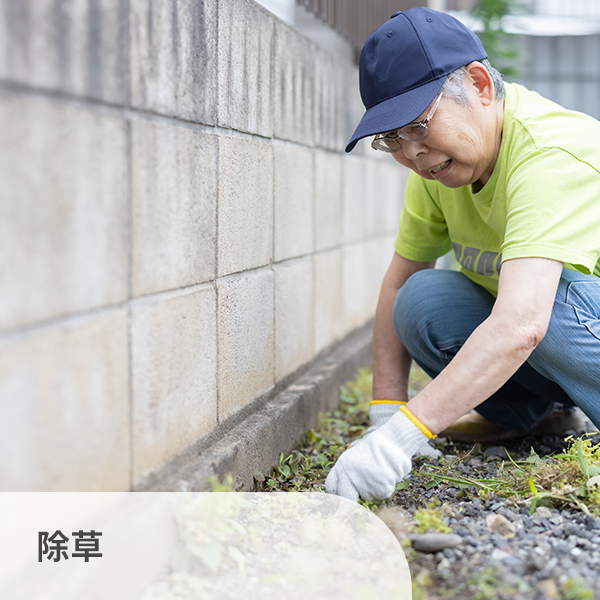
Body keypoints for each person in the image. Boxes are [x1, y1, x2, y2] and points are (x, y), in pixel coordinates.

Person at [325, 7, 600, 503]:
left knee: (544, 306)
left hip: (567, 322)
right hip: (565, 341)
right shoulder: (439, 170)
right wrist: (386, 412)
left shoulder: (550, 154)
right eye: (392, 140)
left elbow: (523, 324)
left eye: (418, 125)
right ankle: (539, 418)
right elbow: (396, 282)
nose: (413, 154)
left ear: (479, 85)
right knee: (420, 300)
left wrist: (401, 440)